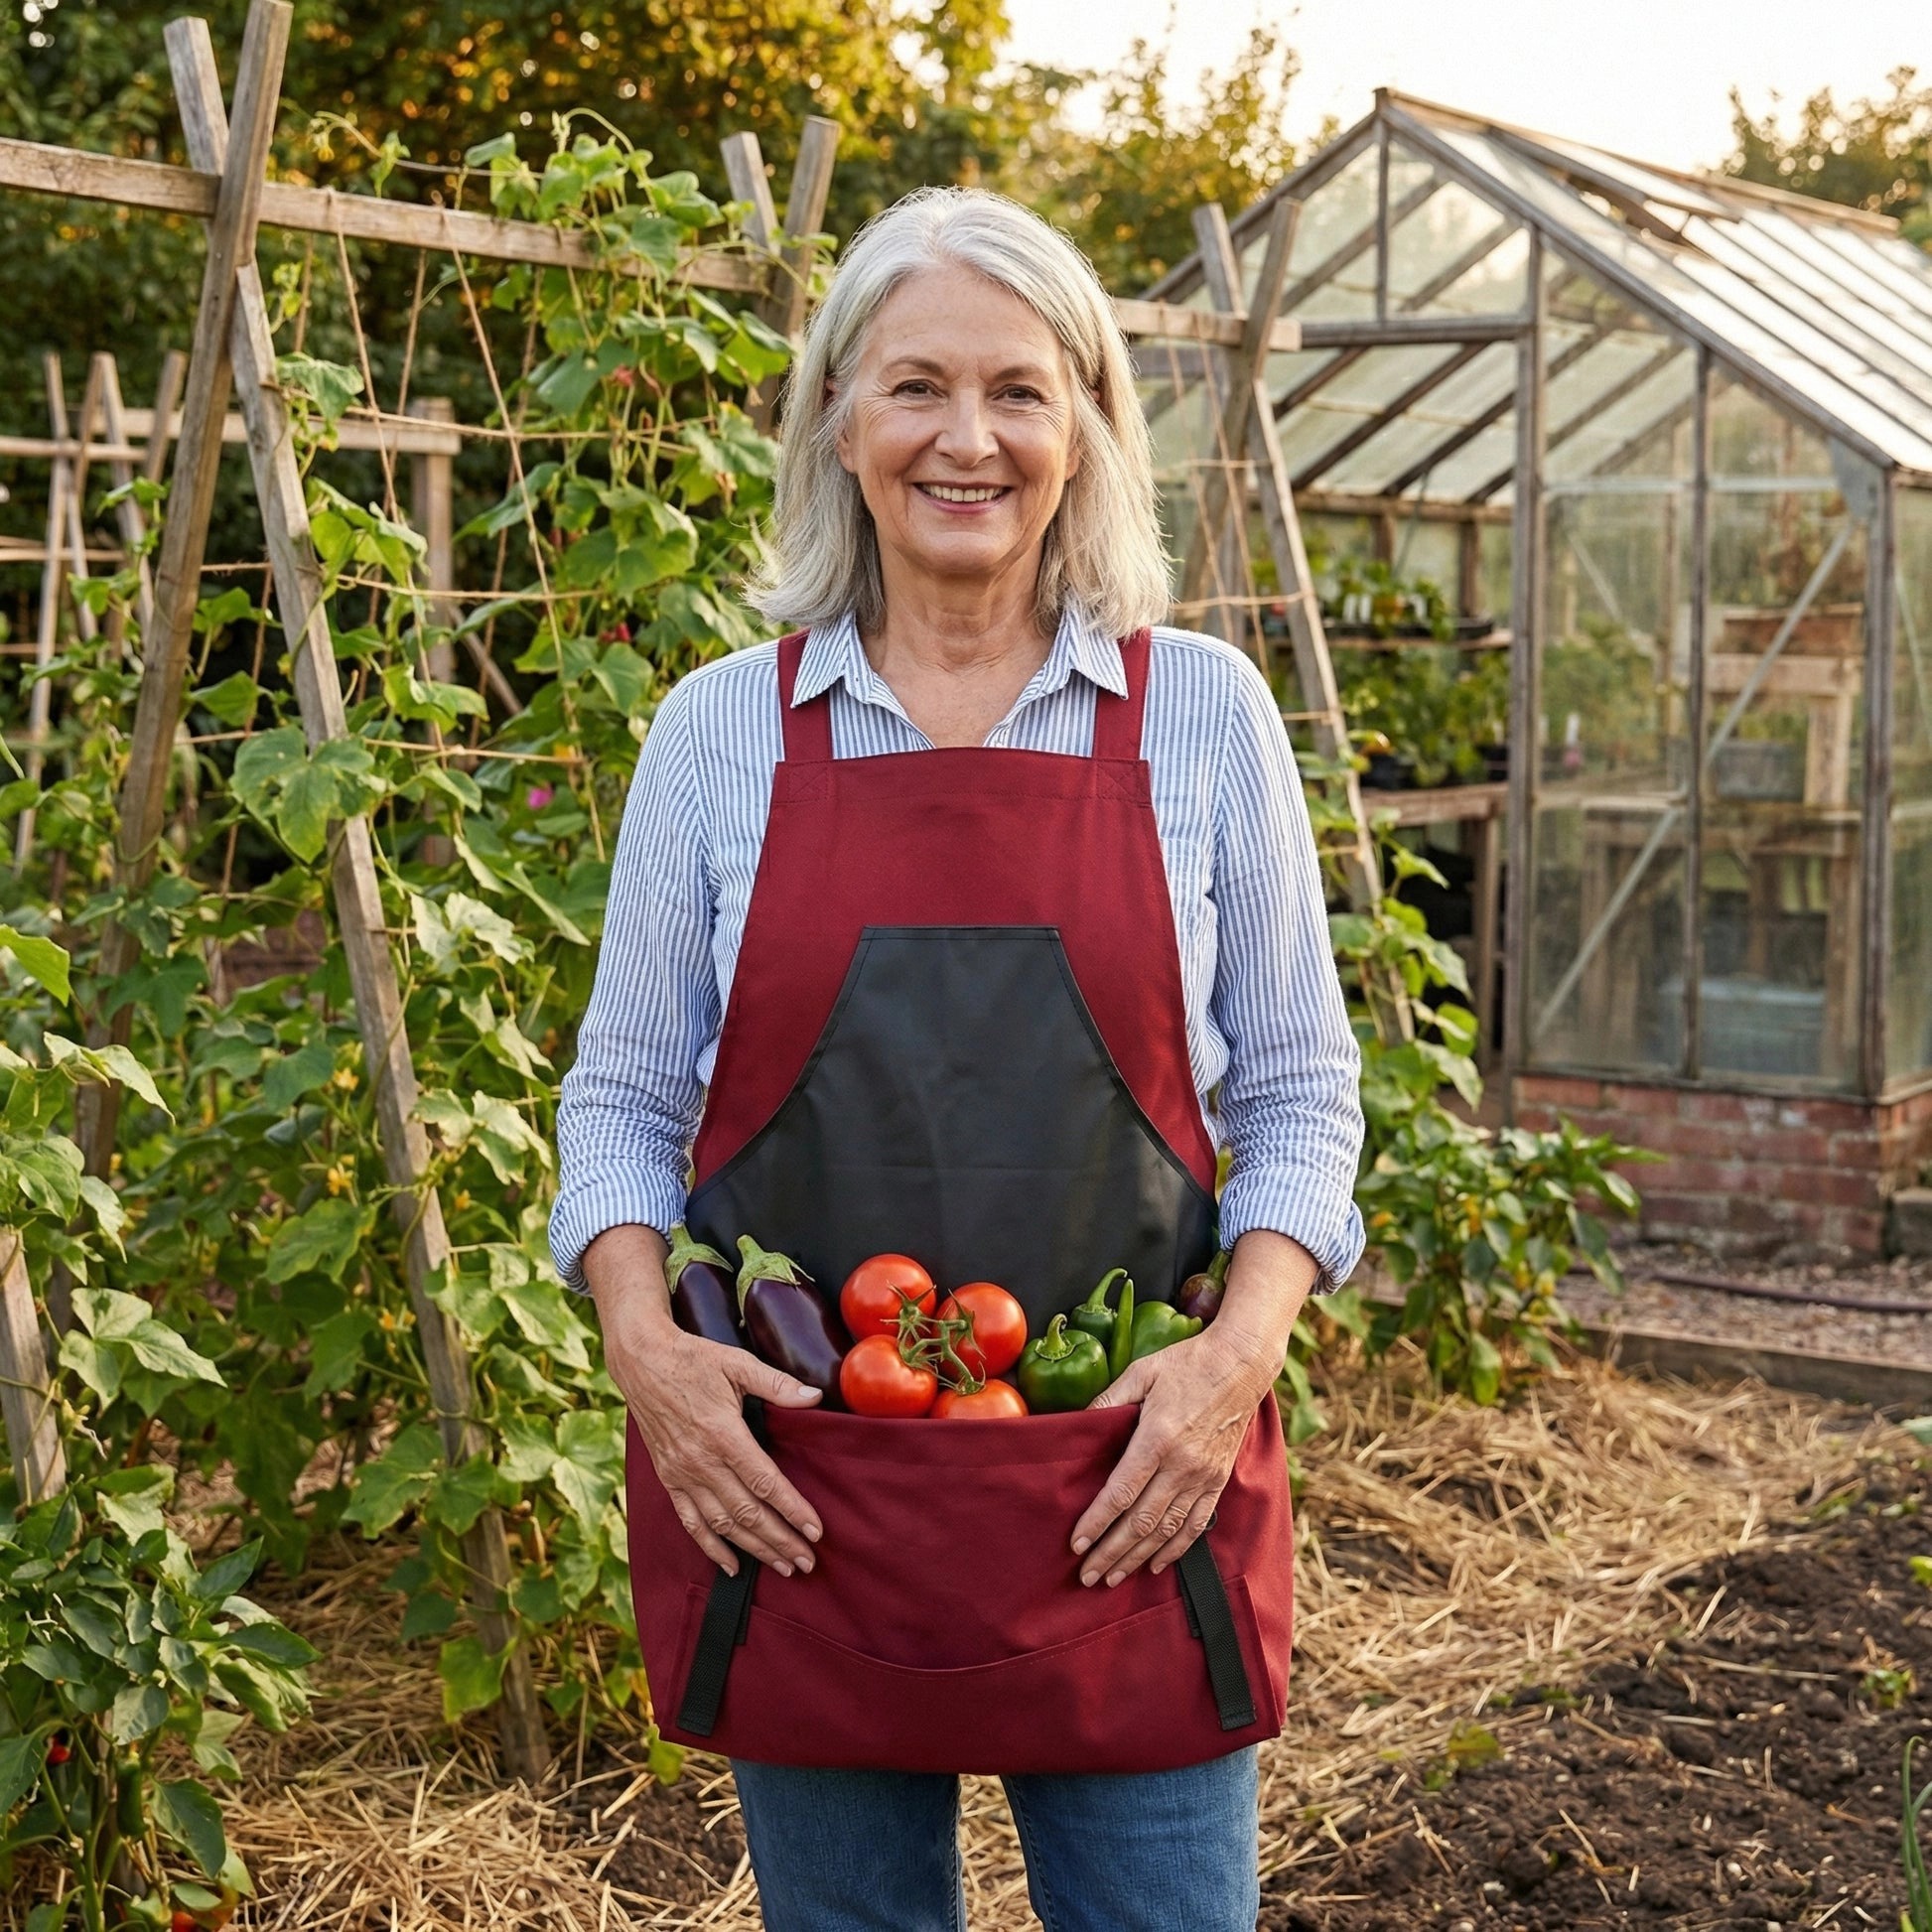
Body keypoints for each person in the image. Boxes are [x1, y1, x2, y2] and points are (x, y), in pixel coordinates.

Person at [551, 185, 1365, 1932]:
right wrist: (645, 1348)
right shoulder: (718, 734)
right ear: (840, 418)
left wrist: (1234, 1356)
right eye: (916, 384)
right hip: (809, 1494)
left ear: (1084, 425)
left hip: (1133, 1483)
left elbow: (1300, 1092)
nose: (966, 437)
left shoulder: (1204, 714)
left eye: (1017, 389)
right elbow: (620, 1092)